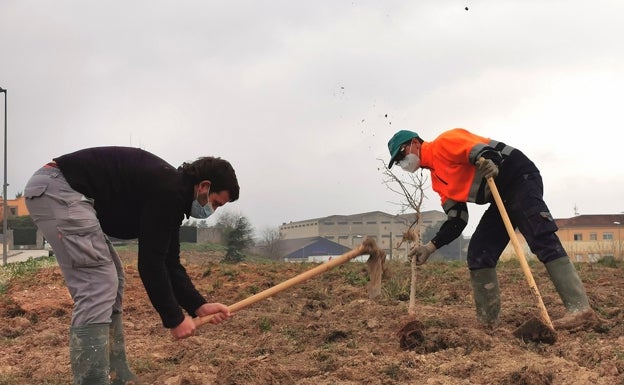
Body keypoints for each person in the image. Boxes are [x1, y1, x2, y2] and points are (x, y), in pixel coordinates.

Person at [24, 146, 239, 385]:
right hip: (58, 187)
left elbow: (169, 260)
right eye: (216, 203)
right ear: (204, 187)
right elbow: (150, 263)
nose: (213, 210)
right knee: (99, 283)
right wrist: (174, 319)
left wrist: (198, 306)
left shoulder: (172, 194)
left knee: (113, 277)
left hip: (63, 189)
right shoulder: (169, 191)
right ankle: (92, 380)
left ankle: (117, 374)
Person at [387, 128, 596, 330]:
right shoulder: (438, 182)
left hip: (519, 178)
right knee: (479, 252)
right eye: (397, 161)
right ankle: (488, 323)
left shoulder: (444, 143)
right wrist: (431, 247)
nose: (401, 162)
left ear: (415, 143)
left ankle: (581, 310)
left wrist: (492, 164)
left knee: (540, 236)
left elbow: (483, 151)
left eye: (401, 154)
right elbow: (457, 219)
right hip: (501, 196)